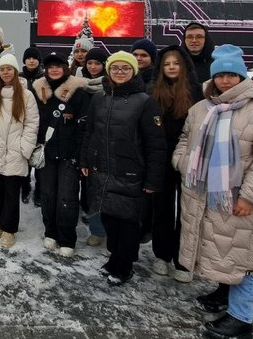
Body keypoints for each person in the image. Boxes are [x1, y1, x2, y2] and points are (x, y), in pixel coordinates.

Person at [173, 44, 253, 338]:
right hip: (203, 195)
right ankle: (223, 295)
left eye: (231, 75)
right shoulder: (201, 109)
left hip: (239, 200)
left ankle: (241, 318)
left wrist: (249, 196)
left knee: (245, 257)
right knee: (221, 250)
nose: (225, 81)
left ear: (242, 78)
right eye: (220, 75)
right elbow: (185, 140)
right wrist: (184, 163)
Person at [80, 51, 166, 286]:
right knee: (108, 217)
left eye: (125, 68)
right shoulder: (99, 98)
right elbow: (90, 133)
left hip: (130, 171)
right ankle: (115, 259)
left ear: (133, 71)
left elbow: (156, 144)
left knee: (127, 222)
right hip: (103, 169)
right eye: (115, 68)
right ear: (109, 71)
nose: (120, 72)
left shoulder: (145, 101)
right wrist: (86, 161)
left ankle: (124, 266)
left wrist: (152, 180)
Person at [147, 46, 203, 283]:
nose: (171, 67)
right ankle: (162, 255)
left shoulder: (196, 93)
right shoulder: (152, 91)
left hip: (190, 159)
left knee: (188, 210)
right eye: (167, 63)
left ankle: (184, 259)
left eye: (176, 63)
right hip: (160, 158)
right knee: (162, 208)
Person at [31, 53, 90, 258]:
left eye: (58, 66)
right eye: (50, 67)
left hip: (69, 155)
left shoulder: (78, 92)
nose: (54, 70)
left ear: (66, 68)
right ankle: (51, 232)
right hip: (47, 153)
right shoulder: (39, 91)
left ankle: (67, 238)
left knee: (67, 198)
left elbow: (84, 128)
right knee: (47, 195)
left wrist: (80, 155)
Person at [0, 54, 39, 249]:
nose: (5, 72)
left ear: (14, 71)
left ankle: (9, 229)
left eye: (9, 69)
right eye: (2, 69)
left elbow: (32, 123)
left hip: (15, 151)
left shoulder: (26, 95)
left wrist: (25, 148)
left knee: (12, 192)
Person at [79, 47, 109, 246]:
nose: (92, 67)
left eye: (97, 63)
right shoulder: (79, 84)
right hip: (84, 141)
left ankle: (107, 230)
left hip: (105, 143)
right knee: (88, 185)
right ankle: (94, 223)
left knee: (105, 189)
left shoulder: (110, 87)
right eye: (90, 63)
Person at [20, 46, 44, 205]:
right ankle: (25, 186)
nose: (31, 60)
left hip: (42, 122)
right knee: (24, 156)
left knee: (40, 157)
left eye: (34, 58)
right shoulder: (18, 77)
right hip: (23, 123)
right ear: (24, 60)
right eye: (28, 58)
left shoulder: (45, 77)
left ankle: (40, 190)